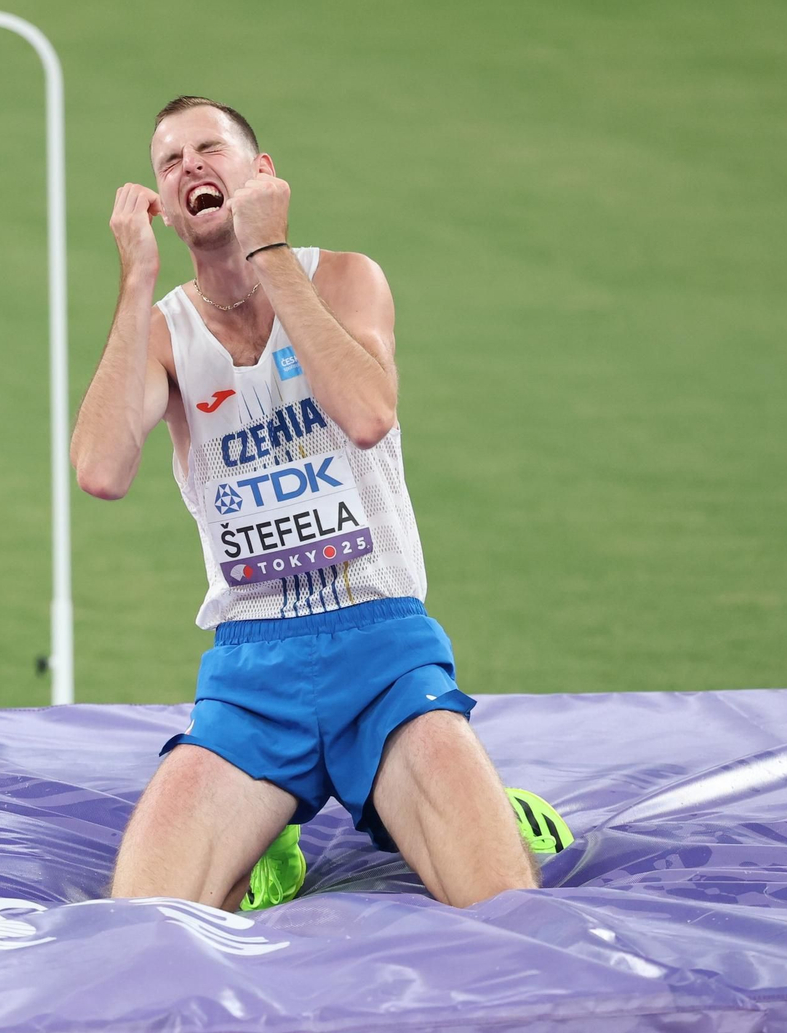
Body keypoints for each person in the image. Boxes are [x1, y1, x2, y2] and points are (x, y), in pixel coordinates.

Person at [71, 96, 563, 911]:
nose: (190, 167)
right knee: (144, 913)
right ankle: (272, 832)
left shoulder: (345, 278)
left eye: (209, 148)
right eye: (170, 161)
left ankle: (484, 807)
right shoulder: (164, 334)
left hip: (382, 649)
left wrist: (269, 253)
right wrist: (135, 283)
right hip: (252, 671)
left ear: (261, 173)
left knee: (497, 896)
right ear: (162, 205)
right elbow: (99, 470)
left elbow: (367, 414)